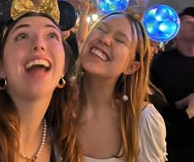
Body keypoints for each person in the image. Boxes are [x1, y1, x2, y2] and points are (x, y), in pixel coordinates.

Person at [55, 12, 167, 162]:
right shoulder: (53, 98)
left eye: (120, 40)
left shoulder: (142, 121)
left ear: (131, 67)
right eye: (101, 29)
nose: (105, 39)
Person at [0, 0, 70, 162]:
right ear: (0, 67)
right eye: (22, 36)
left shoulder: (65, 144)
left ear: (63, 69)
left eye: (52, 35)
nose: (39, 44)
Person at [151, 7, 194, 162]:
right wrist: (180, 105)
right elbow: (153, 109)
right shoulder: (161, 64)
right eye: (187, 22)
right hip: (172, 148)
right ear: (175, 31)